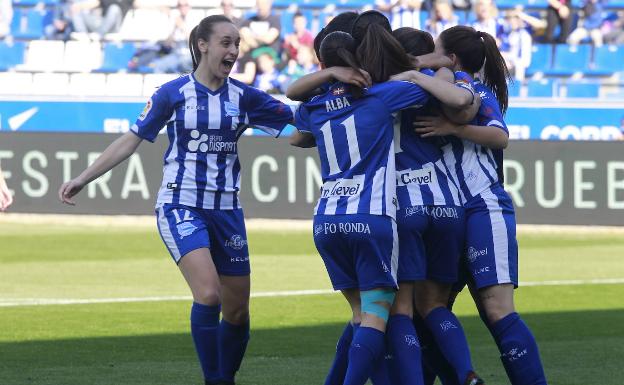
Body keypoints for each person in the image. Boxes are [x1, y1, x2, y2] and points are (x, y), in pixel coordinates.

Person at [59, 15, 294, 385]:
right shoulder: (172, 92)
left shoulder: (246, 97)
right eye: (226, 42)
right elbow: (132, 138)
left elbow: (297, 127)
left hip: (228, 210)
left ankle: (224, 378)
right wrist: (84, 177)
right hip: (180, 204)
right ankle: (215, 380)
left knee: (237, 313)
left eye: (237, 43)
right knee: (209, 293)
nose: (234, 50)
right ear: (202, 45)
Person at [290, 12, 433, 385]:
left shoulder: (313, 107)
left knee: (359, 314)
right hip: (371, 215)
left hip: (326, 219)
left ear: (322, 64)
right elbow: (433, 85)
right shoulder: (381, 96)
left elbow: (295, 126)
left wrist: (328, 81)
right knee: (377, 313)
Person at [413, 25, 548, 385]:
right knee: (428, 311)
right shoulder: (433, 88)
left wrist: (453, 129)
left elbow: (500, 137)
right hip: (448, 212)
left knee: (497, 310)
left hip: (483, 206)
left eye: (439, 51)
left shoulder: (474, 92)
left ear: (452, 58)